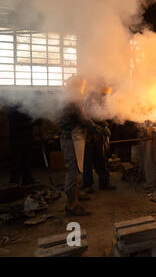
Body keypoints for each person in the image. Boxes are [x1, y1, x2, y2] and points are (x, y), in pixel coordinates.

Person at [59, 76, 97, 216]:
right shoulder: (73, 99)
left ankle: (76, 194)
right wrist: (96, 128)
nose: (84, 87)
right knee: (73, 170)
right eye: (82, 85)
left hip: (74, 137)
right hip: (72, 138)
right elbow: (83, 118)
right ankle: (71, 204)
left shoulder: (71, 97)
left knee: (78, 168)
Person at [81, 85, 116, 192]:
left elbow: (105, 116)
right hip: (88, 137)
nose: (104, 97)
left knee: (101, 160)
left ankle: (104, 183)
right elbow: (85, 119)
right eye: (103, 95)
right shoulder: (87, 101)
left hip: (98, 138)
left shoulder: (102, 102)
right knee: (87, 162)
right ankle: (87, 185)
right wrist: (99, 126)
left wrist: (106, 123)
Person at [7, 105, 36, 186]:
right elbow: (15, 124)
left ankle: (27, 180)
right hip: (17, 139)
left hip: (27, 138)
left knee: (25, 161)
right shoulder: (12, 109)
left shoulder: (27, 107)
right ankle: (14, 183)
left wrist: (36, 119)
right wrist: (31, 123)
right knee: (16, 162)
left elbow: (34, 119)